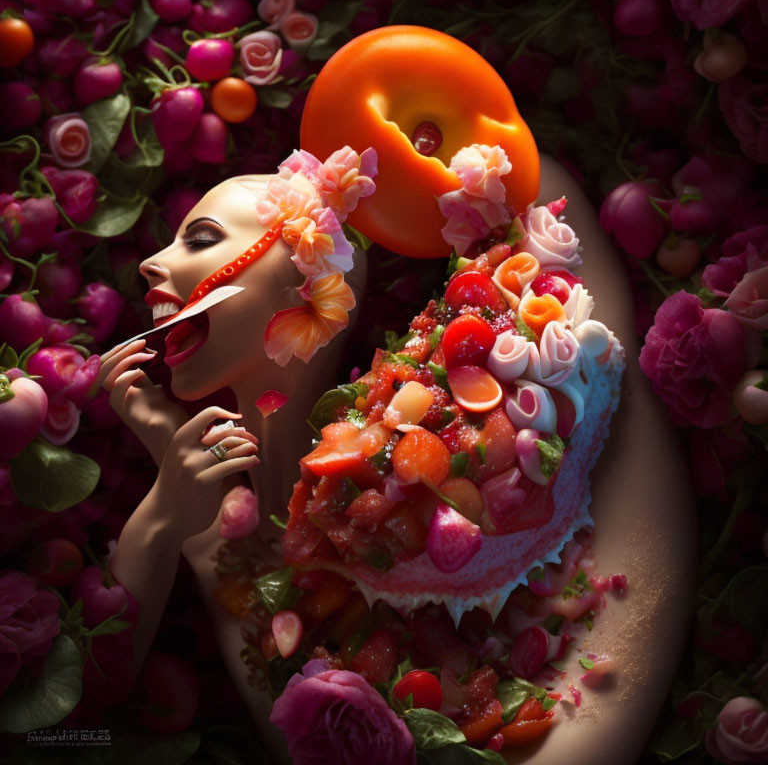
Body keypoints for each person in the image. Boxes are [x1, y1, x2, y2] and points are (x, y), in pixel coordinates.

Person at [97, 151, 695, 764]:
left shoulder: (376, 476)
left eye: (201, 238)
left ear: (306, 281)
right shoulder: (250, 509)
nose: (150, 263)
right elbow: (90, 710)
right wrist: (167, 508)